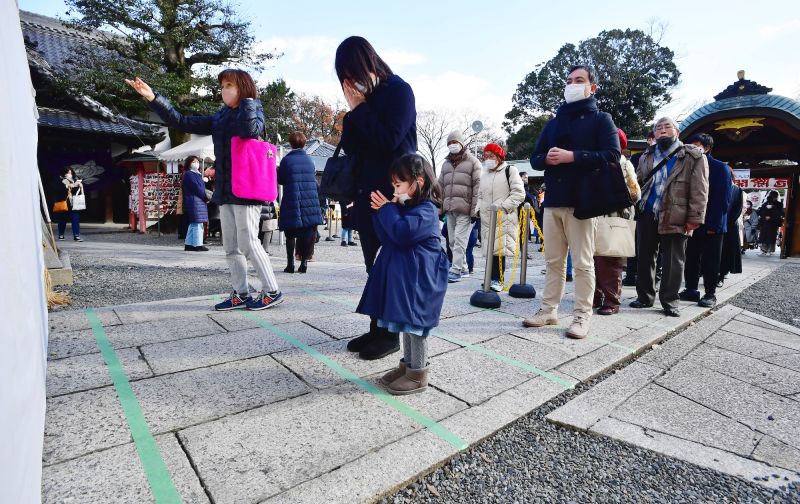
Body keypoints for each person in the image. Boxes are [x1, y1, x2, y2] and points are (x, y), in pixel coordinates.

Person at [126, 70, 283, 311]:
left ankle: (272, 290)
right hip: (226, 190)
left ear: (242, 87)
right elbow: (181, 121)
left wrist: (249, 100)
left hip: (247, 189)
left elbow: (250, 130)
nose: (224, 90)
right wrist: (153, 98)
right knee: (231, 246)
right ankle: (241, 293)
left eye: (230, 85)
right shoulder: (219, 117)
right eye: (222, 86)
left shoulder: (253, 110)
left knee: (250, 241)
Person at [335, 36, 417, 360]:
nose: (350, 82)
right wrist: (352, 114)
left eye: (352, 72)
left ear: (367, 63)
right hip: (367, 195)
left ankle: (391, 335)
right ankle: (376, 328)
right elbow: (354, 148)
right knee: (374, 266)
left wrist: (361, 109)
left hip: (394, 195)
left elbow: (390, 140)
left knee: (391, 267)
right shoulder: (363, 104)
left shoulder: (399, 91)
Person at [524, 64, 620, 339]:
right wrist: (548, 159)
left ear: (593, 87)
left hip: (585, 201)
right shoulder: (554, 123)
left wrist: (573, 156)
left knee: (582, 262)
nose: (572, 84)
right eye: (569, 80)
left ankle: (582, 315)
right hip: (554, 199)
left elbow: (612, 154)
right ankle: (548, 309)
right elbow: (535, 158)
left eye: (579, 80)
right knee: (553, 260)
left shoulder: (602, 119)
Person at [356, 154, 448, 395]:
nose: (395, 190)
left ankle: (418, 374)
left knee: (416, 327)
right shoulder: (406, 207)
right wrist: (382, 212)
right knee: (406, 324)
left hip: (419, 281)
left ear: (418, 182)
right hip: (408, 279)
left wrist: (386, 209)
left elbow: (401, 233)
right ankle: (407, 367)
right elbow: (388, 235)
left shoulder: (427, 210)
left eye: (399, 185)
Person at [629, 117, 709, 317]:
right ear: (654, 134)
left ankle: (670, 301)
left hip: (677, 213)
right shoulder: (646, 154)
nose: (662, 130)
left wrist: (695, 217)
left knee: (674, 260)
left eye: (667, 127)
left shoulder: (693, 155)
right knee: (645, 257)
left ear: (677, 132)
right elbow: (637, 181)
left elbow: (700, 189)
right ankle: (645, 297)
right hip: (647, 210)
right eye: (658, 128)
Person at [678, 133, 732, 308]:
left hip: (712, 223)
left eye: (697, 145)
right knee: (691, 257)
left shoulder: (719, 168)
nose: (693, 148)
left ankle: (710, 293)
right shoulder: (686, 165)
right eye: (691, 145)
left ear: (707, 148)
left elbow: (723, 200)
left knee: (711, 260)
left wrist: (714, 224)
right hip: (691, 221)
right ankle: (691, 289)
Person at [593, 129, 640, 315]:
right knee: (591, 258)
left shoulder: (624, 164)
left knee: (610, 260)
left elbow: (635, 194)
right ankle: (595, 296)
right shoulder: (594, 161)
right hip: (593, 215)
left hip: (615, 215)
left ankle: (612, 299)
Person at [477, 143, 525, 292]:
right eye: (485, 156)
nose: (487, 159)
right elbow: (480, 195)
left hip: (503, 216)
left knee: (499, 251)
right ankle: (489, 278)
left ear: (499, 157)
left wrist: (504, 207)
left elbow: (519, 193)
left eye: (491, 156)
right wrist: (478, 209)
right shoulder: (484, 174)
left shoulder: (510, 170)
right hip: (486, 218)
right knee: (490, 250)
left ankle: (498, 279)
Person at [277, 131, 324, 274]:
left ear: (290, 144)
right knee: (306, 232)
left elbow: (281, 180)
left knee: (290, 233)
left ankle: (290, 264)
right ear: (304, 144)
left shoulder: (286, 160)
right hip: (309, 199)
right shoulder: (310, 161)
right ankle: (303, 263)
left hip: (292, 198)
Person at [438, 130, 481, 282]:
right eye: (450, 143)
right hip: (449, 209)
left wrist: (475, 210)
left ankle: (455, 270)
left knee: (460, 240)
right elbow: (440, 186)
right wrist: (439, 207)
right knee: (451, 241)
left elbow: (478, 187)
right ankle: (463, 268)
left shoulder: (473, 162)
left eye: (455, 142)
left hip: (465, 208)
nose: (452, 145)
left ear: (462, 143)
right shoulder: (445, 164)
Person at [623, 130, 657, 286]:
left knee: (654, 247)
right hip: (638, 205)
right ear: (649, 139)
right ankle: (630, 274)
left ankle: (655, 275)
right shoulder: (638, 158)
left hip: (656, 207)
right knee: (633, 242)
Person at [718, 171, 743, 287]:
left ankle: (721, 275)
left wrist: (727, 221)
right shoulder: (717, 186)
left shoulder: (737, 190)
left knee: (726, 253)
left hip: (730, 226)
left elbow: (738, 209)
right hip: (716, 223)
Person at [181, 155, 210, 252]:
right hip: (195, 201)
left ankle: (189, 244)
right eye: (194, 161)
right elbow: (198, 188)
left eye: (197, 161)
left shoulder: (194, 174)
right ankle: (198, 244)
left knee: (193, 223)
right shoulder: (190, 174)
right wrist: (206, 196)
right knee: (198, 223)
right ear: (189, 163)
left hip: (195, 201)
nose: (196, 163)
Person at [55, 167, 84, 242]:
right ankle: (61, 234)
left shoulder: (74, 180)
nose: (69, 174)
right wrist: (67, 186)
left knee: (76, 218)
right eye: (68, 173)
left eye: (71, 173)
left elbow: (77, 191)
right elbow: (57, 189)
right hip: (64, 202)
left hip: (74, 203)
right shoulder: (60, 180)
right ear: (64, 173)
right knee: (62, 219)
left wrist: (79, 185)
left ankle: (76, 235)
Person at [758, 190, 783, 255]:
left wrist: (771, 217)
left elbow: (779, 214)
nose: (774, 198)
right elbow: (761, 212)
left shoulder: (779, 204)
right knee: (763, 236)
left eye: (775, 197)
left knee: (771, 236)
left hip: (773, 223)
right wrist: (765, 216)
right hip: (765, 222)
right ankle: (763, 250)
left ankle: (769, 250)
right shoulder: (766, 203)